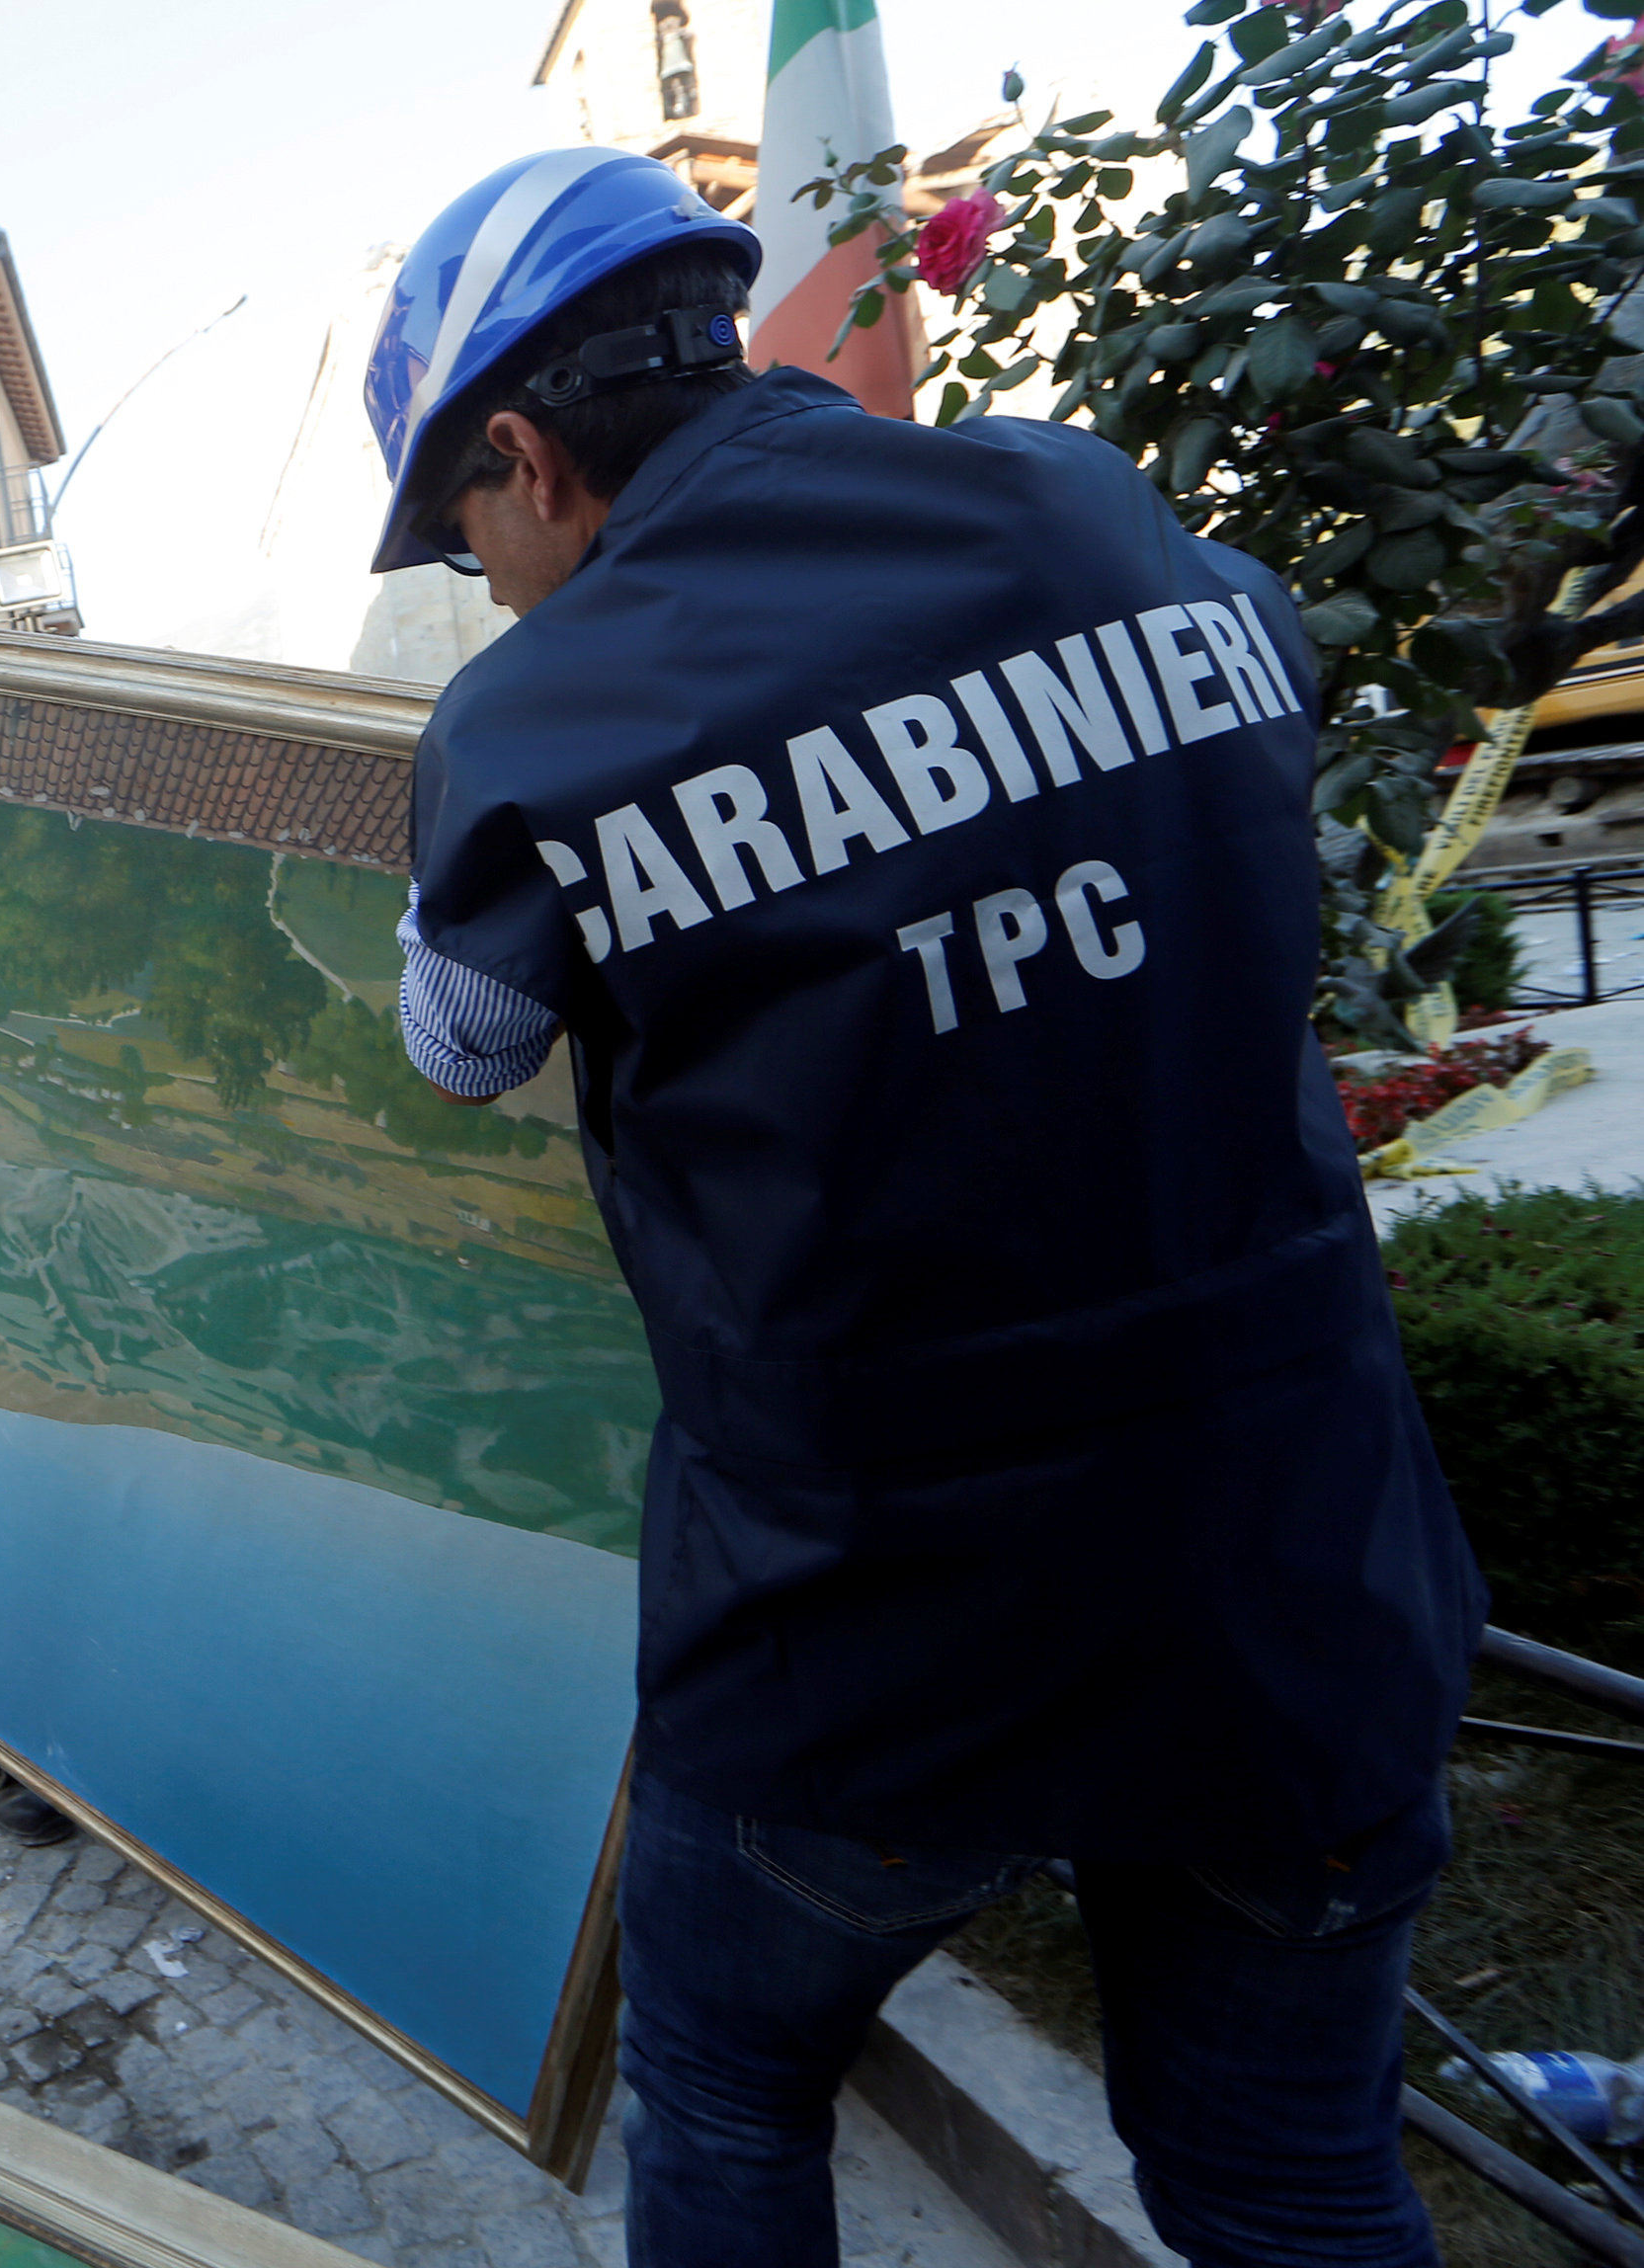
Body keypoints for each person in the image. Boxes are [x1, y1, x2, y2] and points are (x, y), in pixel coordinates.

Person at [367, 149, 1480, 2265]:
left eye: (459, 537)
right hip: (1292, 1571)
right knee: (1284, 2175)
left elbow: (459, 1040)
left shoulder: (539, 716)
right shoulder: (1083, 502)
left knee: (717, 2089)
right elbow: (1260, 716)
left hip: (862, 1639)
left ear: (523, 452)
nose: (479, 586)